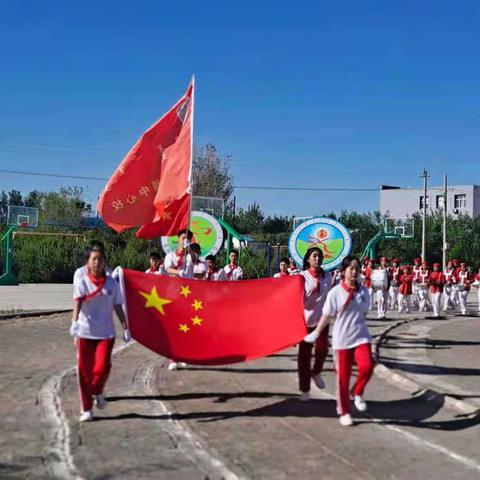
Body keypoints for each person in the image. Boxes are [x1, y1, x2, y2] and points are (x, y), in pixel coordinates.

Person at [304, 256, 374, 427]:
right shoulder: (335, 293)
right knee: (343, 378)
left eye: (357, 268)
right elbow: (327, 315)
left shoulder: (364, 292)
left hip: (360, 336)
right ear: (343, 272)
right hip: (342, 339)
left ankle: (356, 392)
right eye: (350, 268)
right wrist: (317, 333)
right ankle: (344, 411)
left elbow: (364, 313)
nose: (354, 271)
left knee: (367, 366)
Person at [70, 242, 129, 422]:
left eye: (100, 259)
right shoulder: (82, 280)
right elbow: (77, 302)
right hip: (85, 332)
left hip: (105, 334)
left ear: (104, 261)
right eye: (93, 259)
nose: (97, 262)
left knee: (101, 368)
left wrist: (126, 327)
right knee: (84, 371)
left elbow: (118, 305)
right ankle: (86, 408)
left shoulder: (111, 282)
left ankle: (97, 390)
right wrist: (74, 323)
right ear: (88, 262)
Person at [297, 247, 332, 401]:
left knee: (322, 349)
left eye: (320, 256)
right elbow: (296, 301)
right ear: (308, 259)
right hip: (305, 322)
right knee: (304, 357)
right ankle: (305, 390)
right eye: (314, 256)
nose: (317, 259)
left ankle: (316, 371)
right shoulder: (301, 277)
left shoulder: (328, 276)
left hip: (322, 321)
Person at [164, 229, 194, 370]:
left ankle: (183, 355)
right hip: (173, 293)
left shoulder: (189, 257)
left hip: (187, 294)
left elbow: (195, 260)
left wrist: (189, 250)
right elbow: (168, 268)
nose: (185, 240)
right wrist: (178, 272)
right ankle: (173, 358)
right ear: (178, 239)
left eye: (187, 238)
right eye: (183, 238)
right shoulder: (170, 255)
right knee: (174, 327)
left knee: (185, 327)